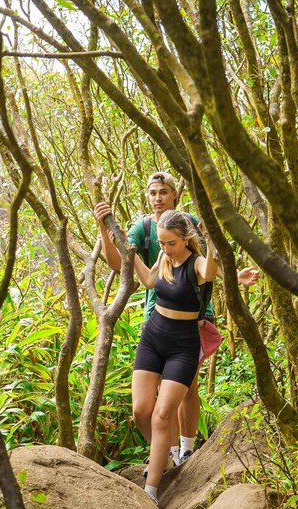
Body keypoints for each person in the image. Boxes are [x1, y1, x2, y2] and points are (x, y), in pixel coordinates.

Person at [94, 172, 258, 467]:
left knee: (187, 385)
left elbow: (204, 263)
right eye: (153, 192)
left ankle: (186, 449)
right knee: (155, 397)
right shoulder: (144, 228)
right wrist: (104, 232)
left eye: (163, 192)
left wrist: (235, 277)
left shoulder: (188, 224)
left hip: (193, 316)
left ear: (174, 195)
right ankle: (168, 451)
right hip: (156, 318)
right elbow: (119, 262)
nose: (157, 198)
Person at [114, 209, 217, 503]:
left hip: (183, 343)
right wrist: (128, 247)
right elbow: (148, 281)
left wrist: (211, 239)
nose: (166, 249)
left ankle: (151, 493)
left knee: (162, 415)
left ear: (186, 239)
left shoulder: (196, 262)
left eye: (171, 243)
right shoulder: (164, 258)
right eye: (161, 243)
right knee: (140, 410)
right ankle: (167, 455)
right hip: (153, 336)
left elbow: (210, 273)